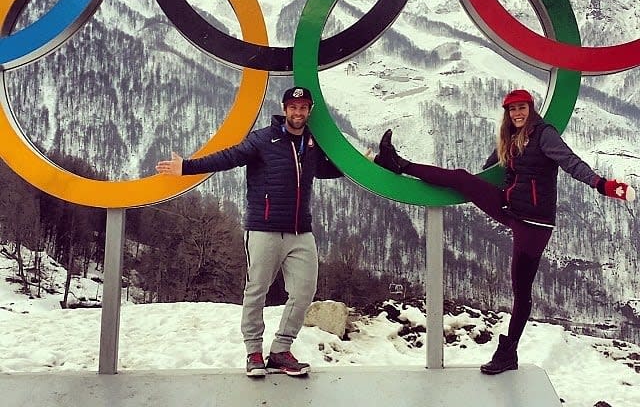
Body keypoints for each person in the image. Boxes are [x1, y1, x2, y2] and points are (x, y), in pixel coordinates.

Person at [373, 88, 635, 375]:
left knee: (521, 291)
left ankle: (508, 352)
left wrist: (602, 185)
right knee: (461, 178)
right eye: (512, 109)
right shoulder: (511, 137)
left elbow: (571, 162)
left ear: (531, 109)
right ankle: (396, 163)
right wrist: (475, 185)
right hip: (511, 209)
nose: (517, 113)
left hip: (534, 225)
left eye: (522, 107)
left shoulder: (544, 134)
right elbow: (489, 170)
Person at [156, 86, 342, 377]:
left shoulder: (311, 143)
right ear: (284, 108)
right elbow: (228, 158)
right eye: (293, 107)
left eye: (304, 107)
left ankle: (281, 351)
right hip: (264, 229)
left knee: (304, 291)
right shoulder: (264, 139)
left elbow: (325, 169)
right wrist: (187, 167)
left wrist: (362, 164)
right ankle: (253, 352)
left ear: (309, 111)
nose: (298, 112)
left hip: (300, 231)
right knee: (257, 291)